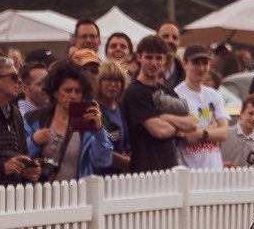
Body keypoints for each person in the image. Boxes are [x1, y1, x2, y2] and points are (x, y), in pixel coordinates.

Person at [24, 58, 111, 181]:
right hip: (40, 195)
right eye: (67, 90)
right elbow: (20, 159)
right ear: (55, 92)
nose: (73, 96)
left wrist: (99, 131)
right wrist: (34, 142)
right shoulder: (35, 119)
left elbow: (102, 161)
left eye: (78, 91)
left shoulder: (86, 120)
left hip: (78, 195)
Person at [125, 33, 198, 173]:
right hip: (145, 172)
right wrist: (178, 130)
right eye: (149, 57)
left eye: (158, 58)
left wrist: (166, 118)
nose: (154, 63)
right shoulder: (135, 92)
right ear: (139, 57)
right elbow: (159, 131)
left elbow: (192, 123)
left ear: (165, 60)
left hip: (169, 169)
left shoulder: (167, 91)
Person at [0, 56, 42, 185]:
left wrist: (27, 170)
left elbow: (22, 154)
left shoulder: (15, 112)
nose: (18, 80)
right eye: (13, 77)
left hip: (12, 196)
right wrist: (2, 168)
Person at [173, 45, 230, 170]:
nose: (201, 68)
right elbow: (187, 136)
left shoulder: (214, 95)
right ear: (185, 64)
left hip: (214, 170)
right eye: (196, 63)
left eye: (205, 63)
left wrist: (200, 133)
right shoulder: (176, 95)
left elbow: (224, 133)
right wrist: (213, 127)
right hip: (189, 171)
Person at [92, 59, 131, 173]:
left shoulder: (121, 107)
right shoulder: (94, 109)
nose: (113, 85)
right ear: (99, 83)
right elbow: (99, 149)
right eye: (108, 80)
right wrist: (130, 163)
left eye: (117, 80)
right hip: (100, 176)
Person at [221, 92, 254, 168]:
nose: (253, 118)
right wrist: (220, 164)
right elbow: (210, 159)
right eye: (250, 113)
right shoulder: (225, 134)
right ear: (241, 113)